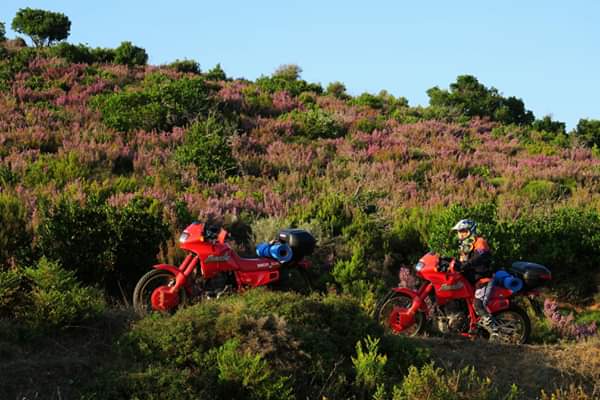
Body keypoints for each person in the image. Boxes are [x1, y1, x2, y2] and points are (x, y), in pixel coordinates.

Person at [450, 219, 499, 335]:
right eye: (459, 231)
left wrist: (466, 265)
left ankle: (495, 332)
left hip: (483, 280)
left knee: (478, 305)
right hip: (472, 280)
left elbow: (479, 257)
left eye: (463, 231)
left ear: (470, 231)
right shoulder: (465, 246)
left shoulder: (480, 242)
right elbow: (461, 262)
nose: (460, 234)